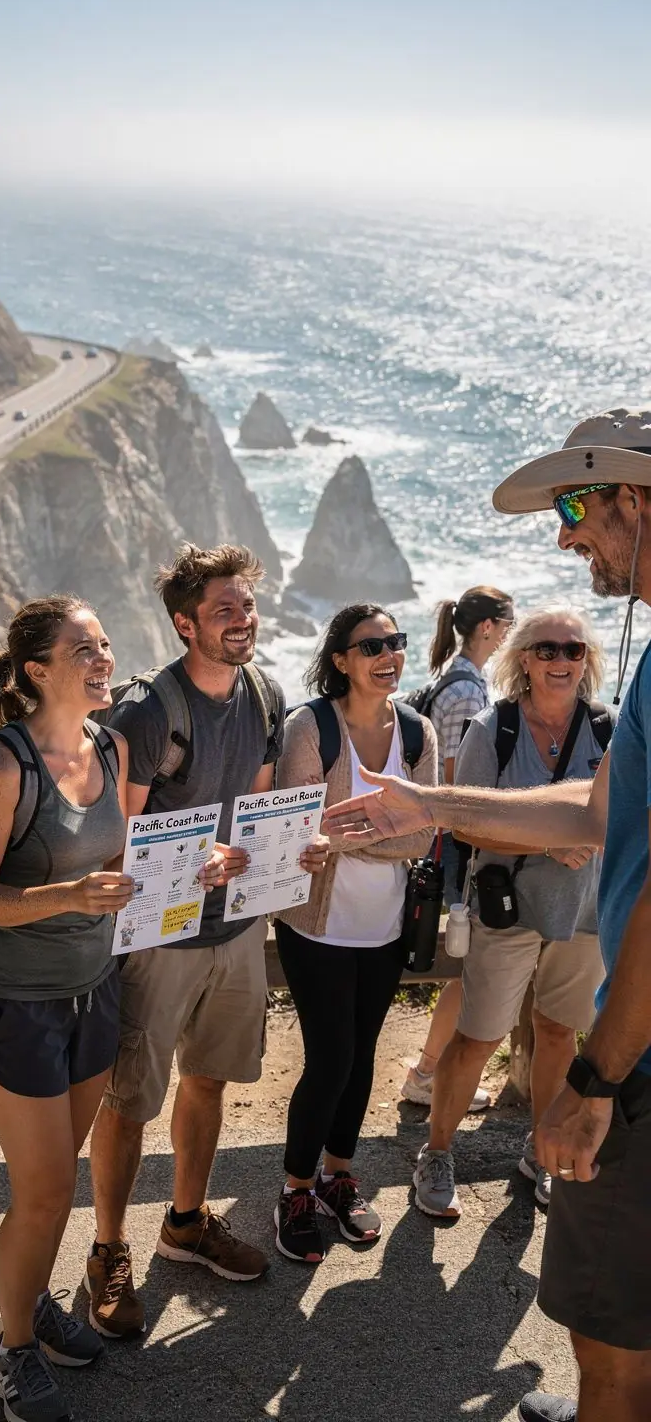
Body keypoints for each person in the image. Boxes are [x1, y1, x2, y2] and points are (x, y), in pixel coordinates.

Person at [323, 408, 651, 1422]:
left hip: (640, 1068)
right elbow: (604, 811)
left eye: (576, 508)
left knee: (613, 1346)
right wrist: (436, 805)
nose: (566, 537)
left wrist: (595, 1077)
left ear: (634, 499)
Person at [87, 543, 326, 1336]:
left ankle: (185, 1222)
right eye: (224, 610)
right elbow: (118, 840)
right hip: (158, 939)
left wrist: (291, 845)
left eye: (248, 607)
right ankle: (108, 1249)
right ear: (185, 623)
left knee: (211, 1081)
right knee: (129, 1103)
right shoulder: (147, 713)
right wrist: (202, 859)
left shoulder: (264, 693)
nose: (243, 621)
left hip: (234, 928)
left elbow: (252, 813)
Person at [0, 596, 143, 1422]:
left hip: (93, 991)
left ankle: (28, 1304)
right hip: (15, 1003)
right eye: (83, 650)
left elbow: (124, 859)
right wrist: (66, 893)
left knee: (57, 1185)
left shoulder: (113, 743)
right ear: (37, 671)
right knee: (40, 1193)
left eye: (104, 645)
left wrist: (198, 862)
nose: (103, 659)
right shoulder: (4, 767)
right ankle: (11, 1349)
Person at [413, 606, 609, 1218]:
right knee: (478, 1038)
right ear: (523, 658)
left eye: (573, 651)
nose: (560, 661)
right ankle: (437, 1153)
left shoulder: (609, 728)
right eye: (546, 649)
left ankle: (540, 1152)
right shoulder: (492, 729)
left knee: (557, 1034)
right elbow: (467, 824)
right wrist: (549, 842)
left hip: (584, 914)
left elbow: (620, 816)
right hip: (510, 909)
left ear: (587, 661)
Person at [272, 603, 436, 1263]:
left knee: (363, 1054)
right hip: (318, 927)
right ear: (340, 658)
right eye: (372, 645)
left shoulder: (418, 731)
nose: (389, 655)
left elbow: (427, 831)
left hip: (384, 928)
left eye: (396, 642)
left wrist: (344, 838)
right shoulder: (310, 726)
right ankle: (295, 1190)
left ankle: (339, 1175)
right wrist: (382, 834)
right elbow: (294, 829)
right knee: (331, 1057)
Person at [402, 586, 514, 1112]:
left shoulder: (450, 674)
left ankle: (429, 1070)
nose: (511, 633)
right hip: (455, 843)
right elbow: (461, 778)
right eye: (508, 623)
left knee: (468, 965)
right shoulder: (469, 691)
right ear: (488, 626)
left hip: (437, 837)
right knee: (470, 966)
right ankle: (428, 1073)